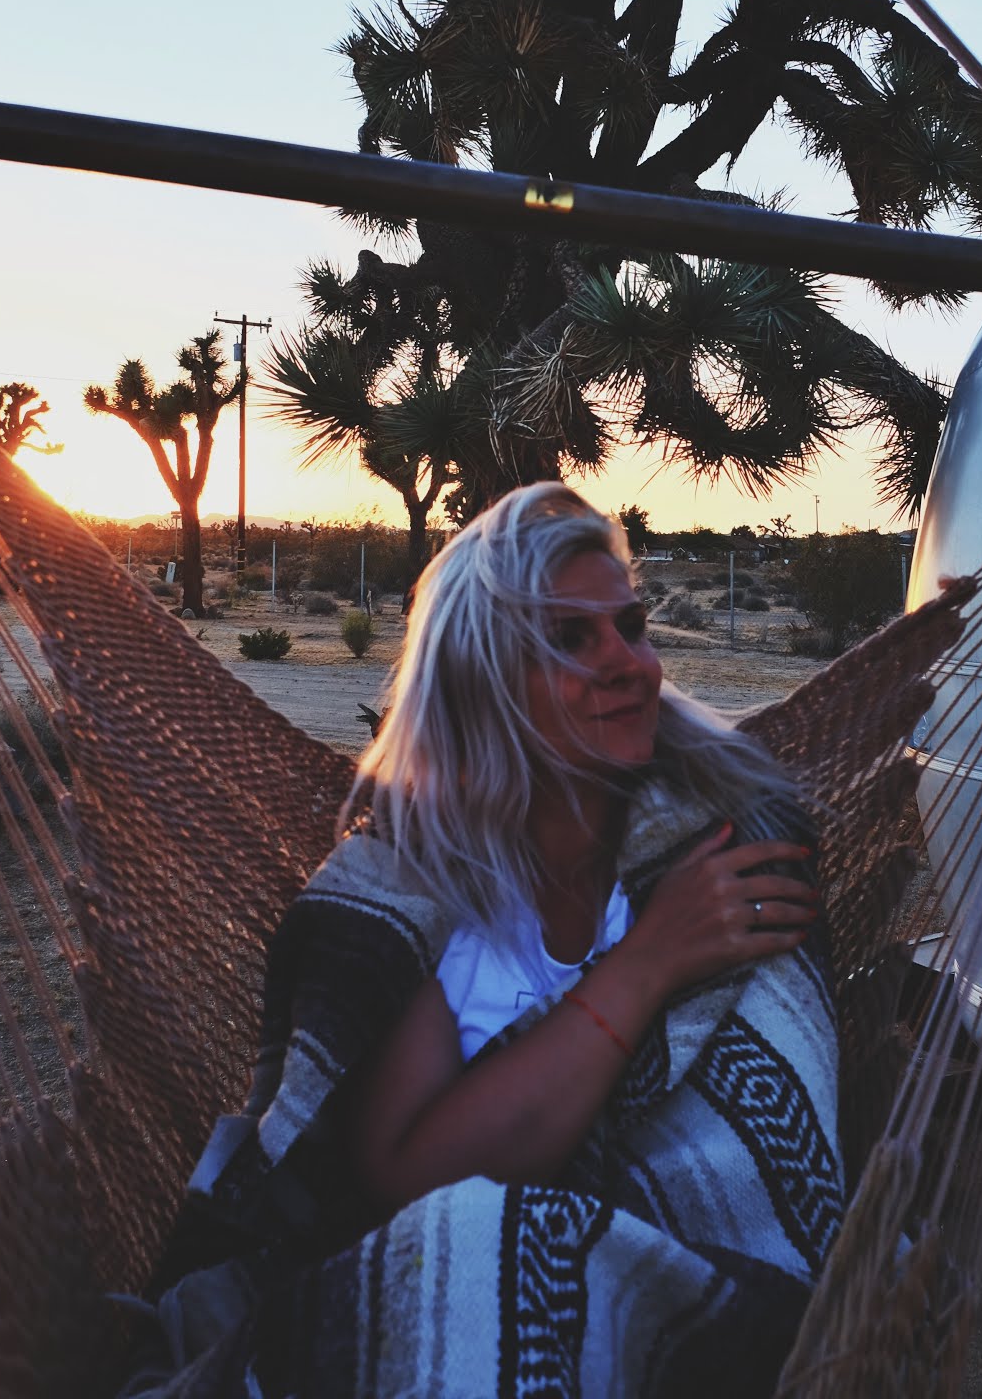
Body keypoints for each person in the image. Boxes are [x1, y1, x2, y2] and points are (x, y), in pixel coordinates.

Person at [125, 484, 842, 1398]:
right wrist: (649, 963)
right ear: (482, 682)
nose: (629, 664)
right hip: (442, 1286)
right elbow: (409, 1183)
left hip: (698, 1292)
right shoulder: (407, 892)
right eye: (571, 639)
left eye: (629, 626)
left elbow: (765, 1109)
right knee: (471, 1241)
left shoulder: (718, 842)